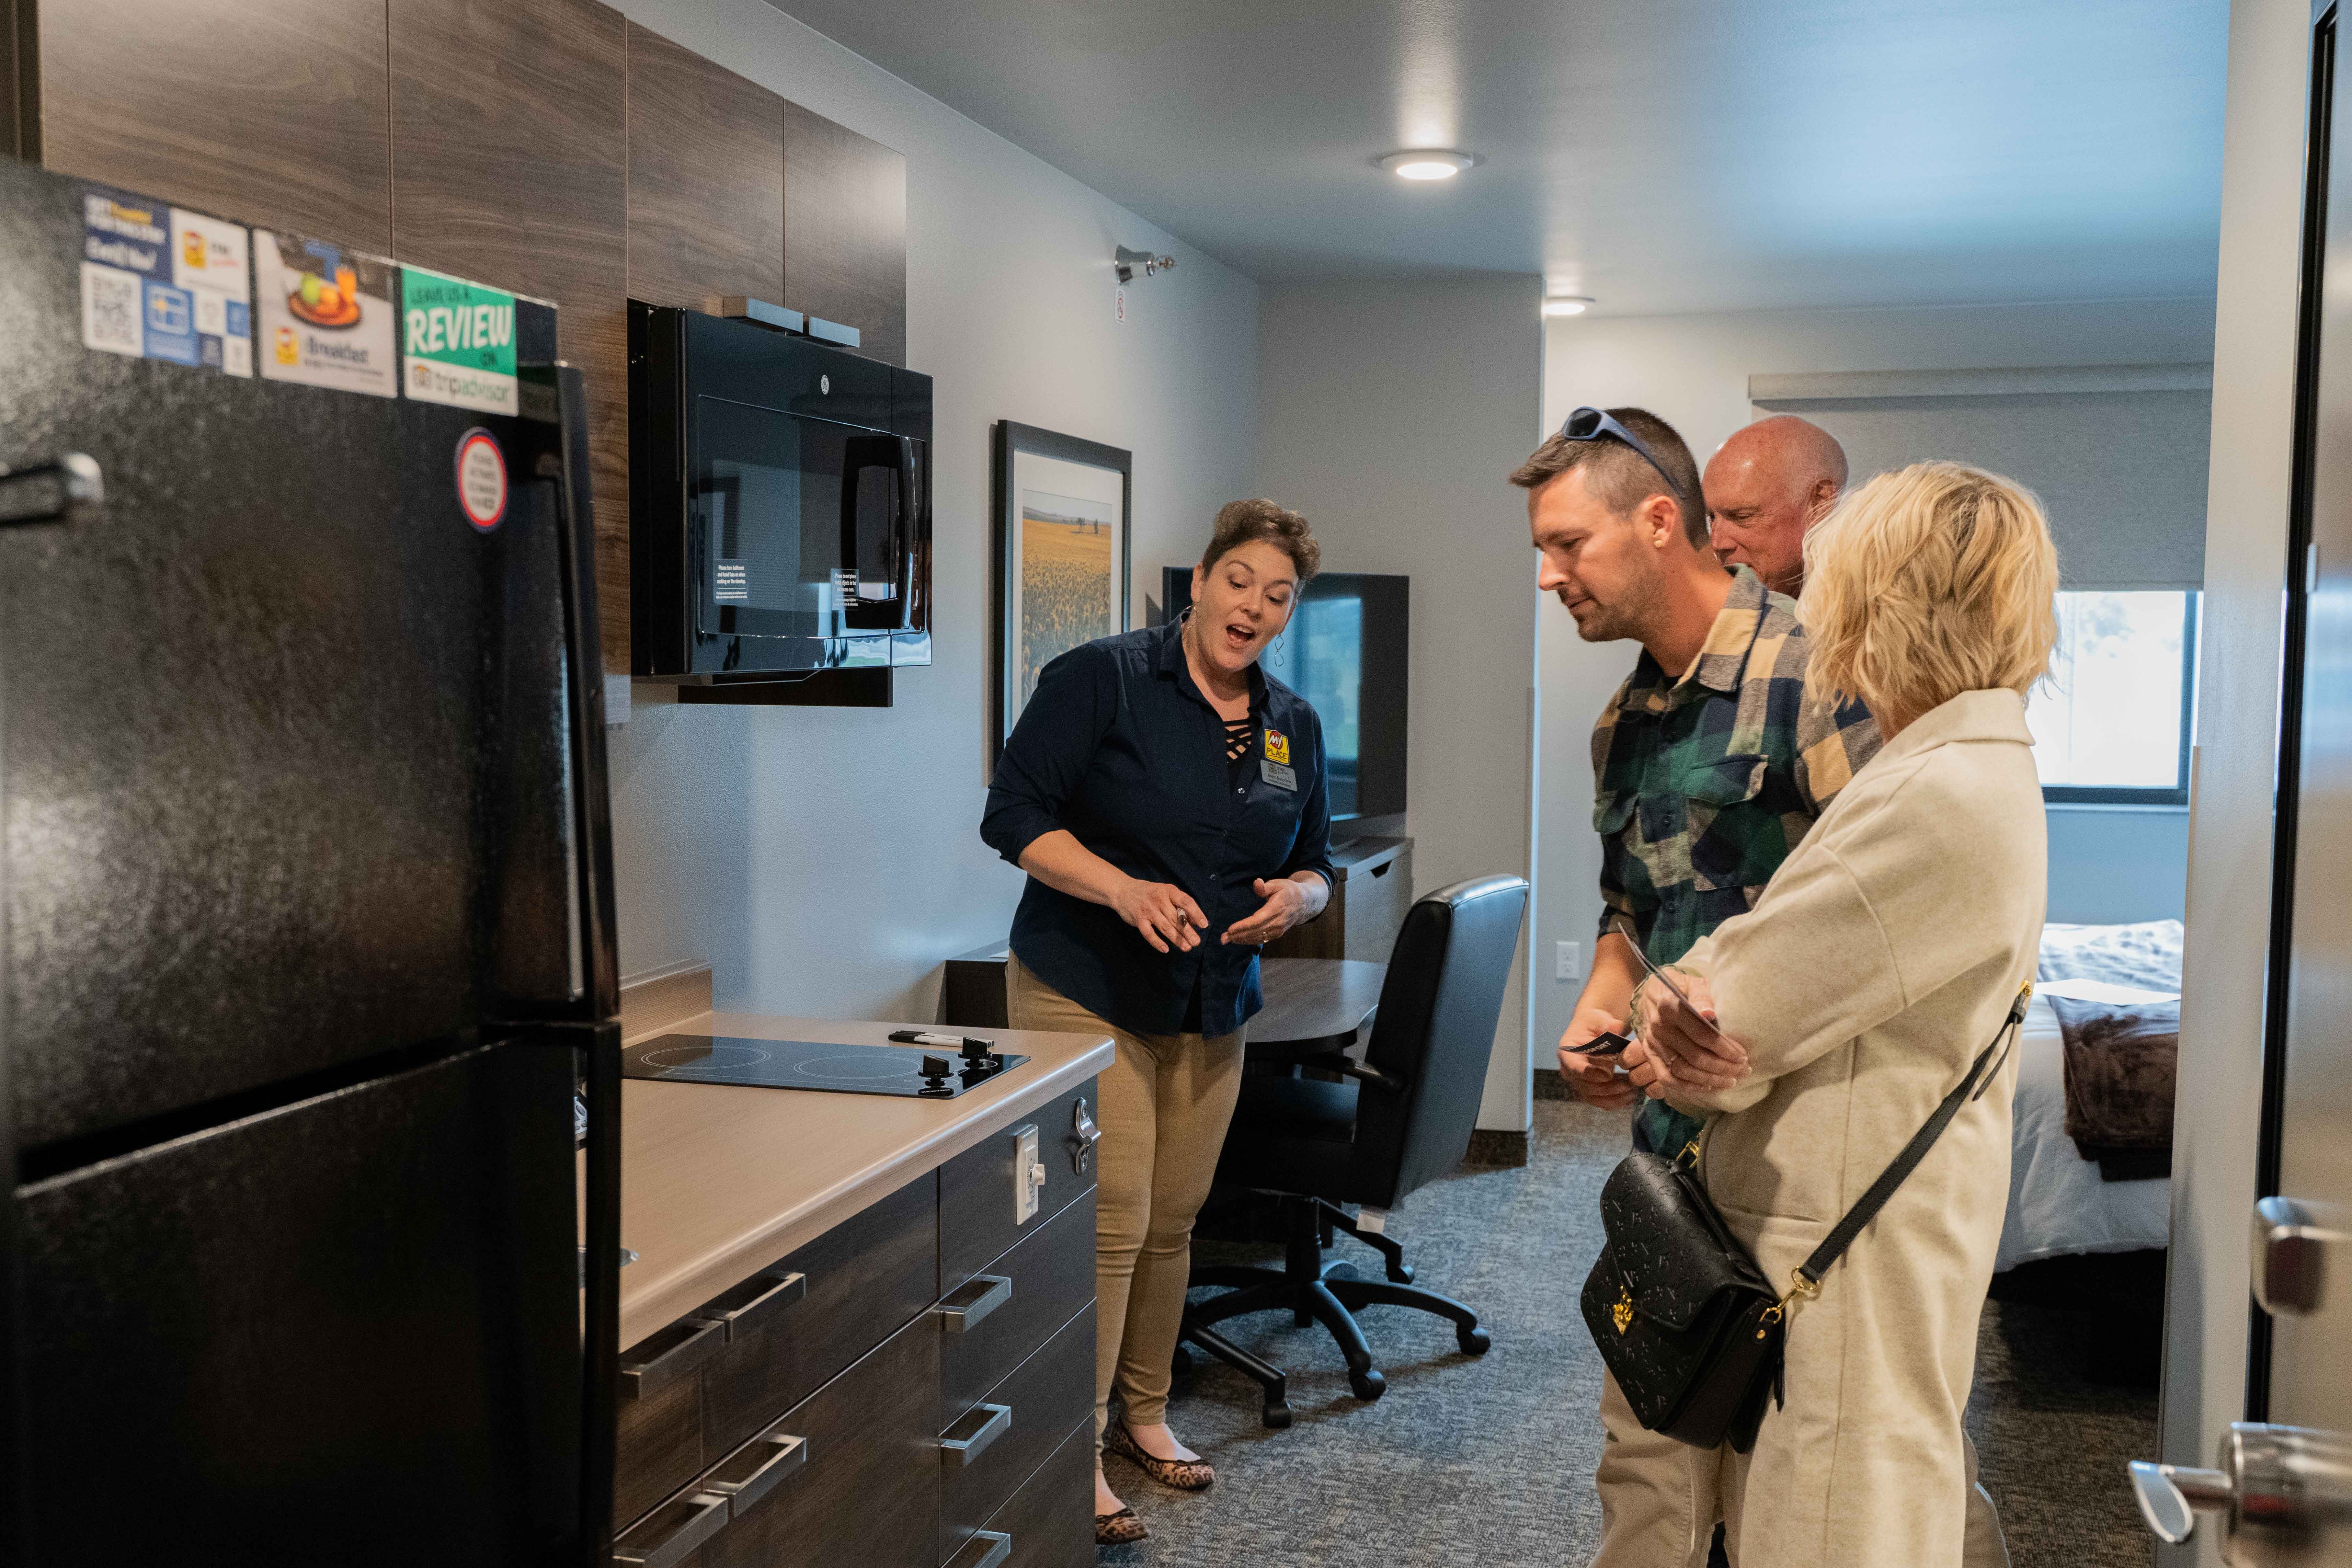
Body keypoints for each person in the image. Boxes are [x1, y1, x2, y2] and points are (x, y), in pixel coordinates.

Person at [1627, 460, 2058, 1568]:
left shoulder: (1934, 795)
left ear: (1876, 608)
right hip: (1867, 1235)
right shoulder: (1964, 761)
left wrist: (1692, 1019)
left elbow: (1728, 1007)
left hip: (1842, 1259)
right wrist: (1716, 1017)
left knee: (1830, 1530)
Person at [1518, 406, 1881, 1567]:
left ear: (1659, 522)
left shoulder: (1821, 676)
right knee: (1646, 1465)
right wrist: (1600, 1002)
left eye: (1568, 543)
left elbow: (1883, 913)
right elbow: (1632, 909)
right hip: (1671, 1164)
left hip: (1805, 1157)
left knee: (1820, 1497)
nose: (1547, 575)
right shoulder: (1622, 724)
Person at [979, 499, 1334, 1548]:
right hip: (1087, 984)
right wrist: (1122, 890)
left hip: (1213, 998)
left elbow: (1316, 851)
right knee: (1112, 1216)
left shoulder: (1291, 721)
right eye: (1241, 582)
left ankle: (1143, 1415)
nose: (1254, 608)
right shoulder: (1103, 679)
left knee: (1174, 1218)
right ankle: (1073, 1447)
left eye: (1278, 597)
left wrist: (1303, 900)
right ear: (1200, 582)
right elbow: (1014, 818)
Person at [1700, 414, 1848, 596]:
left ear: (1820, 502)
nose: (1717, 544)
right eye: (1712, 518)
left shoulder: (1873, 616)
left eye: (1742, 517)